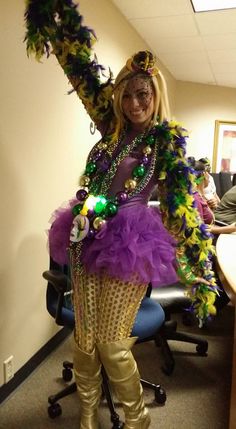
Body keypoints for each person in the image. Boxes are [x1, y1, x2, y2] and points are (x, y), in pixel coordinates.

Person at [24, 2, 219, 428]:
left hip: (129, 245)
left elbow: (181, 209)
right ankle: (88, 417)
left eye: (143, 94)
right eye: (127, 94)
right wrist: (54, 21)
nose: (134, 103)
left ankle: (137, 421)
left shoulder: (164, 143)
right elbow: (79, 69)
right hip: (84, 237)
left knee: (113, 345)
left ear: (156, 95)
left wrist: (200, 266)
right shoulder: (110, 128)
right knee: (85, 339)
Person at [191, 160, 236, 235]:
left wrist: (210, 206)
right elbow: (198, 232)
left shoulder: (198, 196)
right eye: (207, 173)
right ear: (203, 176)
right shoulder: (196, 198)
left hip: (218, 225)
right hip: (220, 226)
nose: (209, 176)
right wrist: (214, 230)